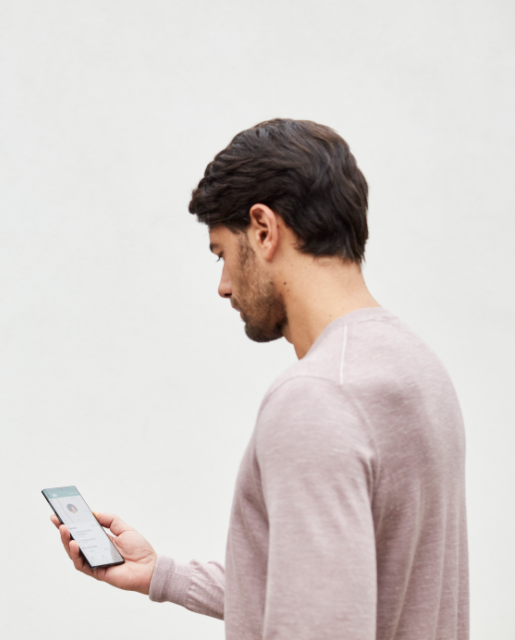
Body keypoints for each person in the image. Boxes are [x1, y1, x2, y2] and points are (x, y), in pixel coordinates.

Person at [50, 119, 468, 640]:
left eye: (222, 254)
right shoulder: (418, 367)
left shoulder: (317, 398)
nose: (223, 286)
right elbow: (335, 585)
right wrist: (162, 575)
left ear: (264, 230)